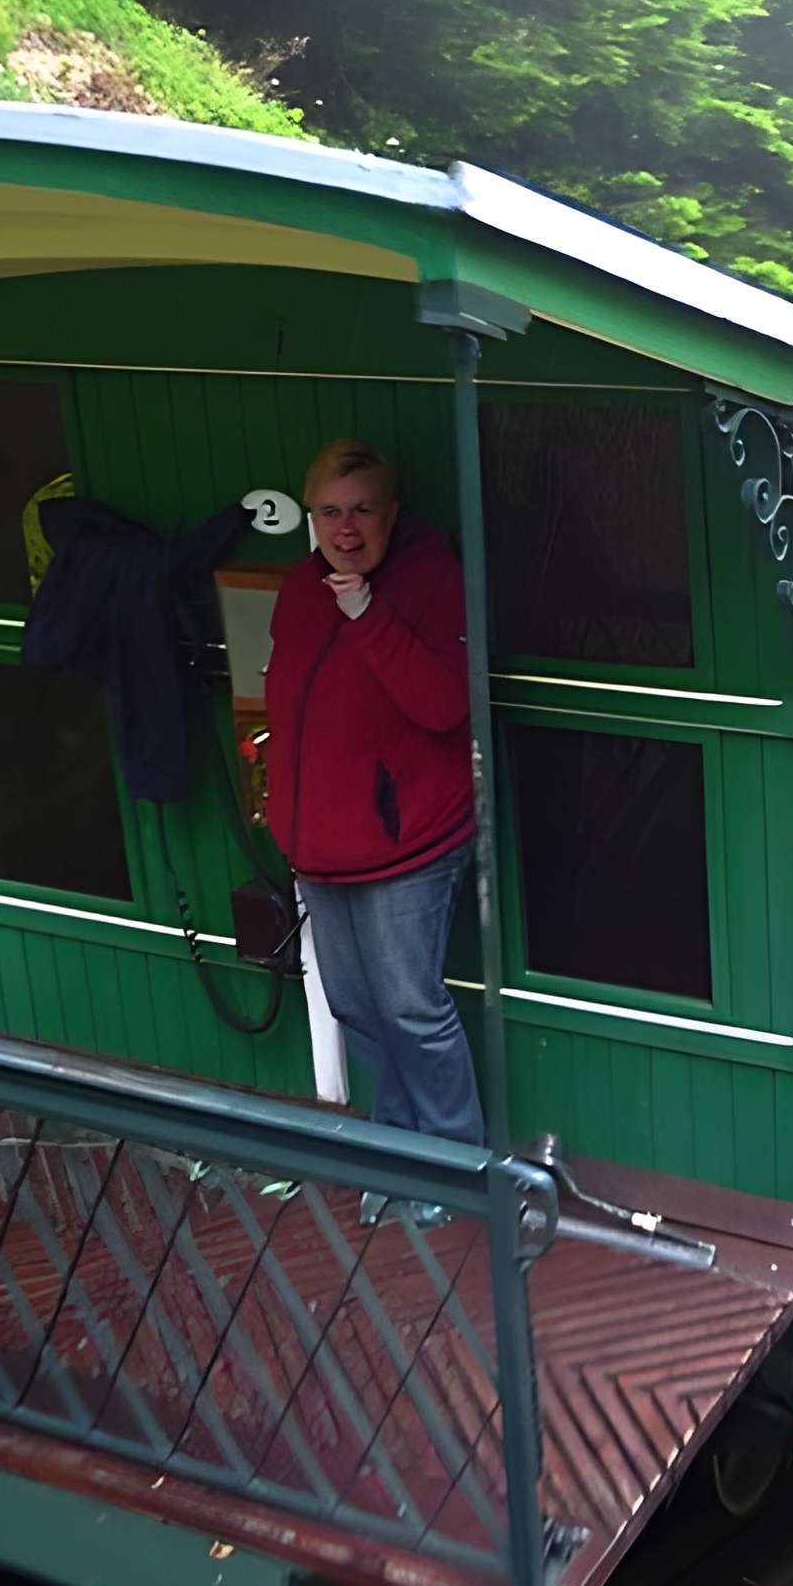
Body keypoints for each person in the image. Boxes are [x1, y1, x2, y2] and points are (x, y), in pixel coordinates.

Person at [263, 438, 483, 1143]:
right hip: (321, 850)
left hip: (408, 845)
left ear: (392, 513)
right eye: (329, 511)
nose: (345, 529)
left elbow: (446, 704)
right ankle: (397, 1150)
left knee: (411, 1010)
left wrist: (366, 614)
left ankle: (454, 1163)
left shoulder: (431, 578)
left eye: (361, 510)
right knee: (354, 1008)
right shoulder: (301, 587)